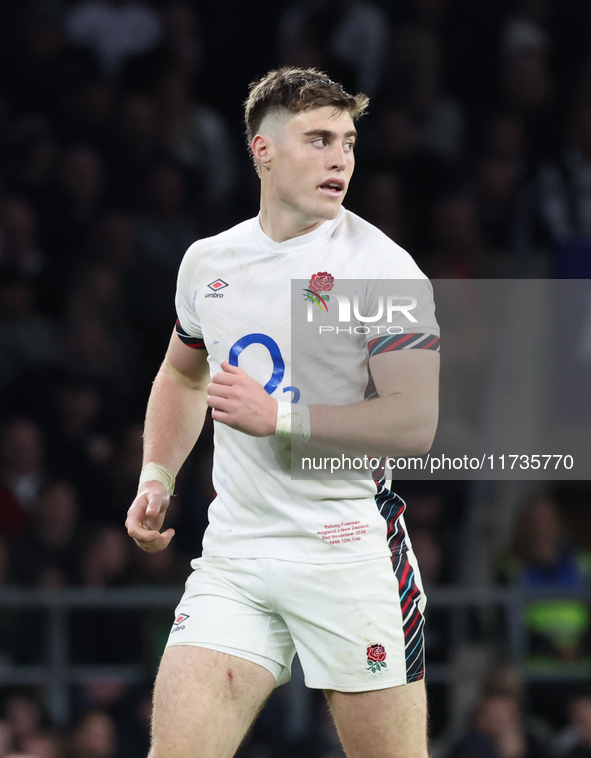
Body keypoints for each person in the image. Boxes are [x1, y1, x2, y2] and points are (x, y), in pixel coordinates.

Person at [125, 67, 440, 758]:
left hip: (346, 550)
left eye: (348, 142)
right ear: (261, 150)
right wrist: (156, 474)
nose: (340, 159)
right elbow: (181, 373)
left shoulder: (382, 270)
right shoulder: (210, 262)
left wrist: (283, 417)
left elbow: (414, 423)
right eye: (318, 139)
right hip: (236, 552)